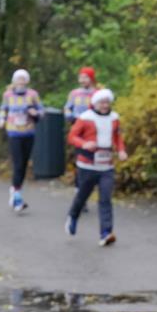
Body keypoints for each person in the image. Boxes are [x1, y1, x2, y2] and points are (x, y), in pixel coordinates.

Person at [65, 88, 127, 246]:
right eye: (102, 102)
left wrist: (121, 150)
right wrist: (85, 143)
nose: (105, 105)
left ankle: (106, 233)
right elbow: (72, 136)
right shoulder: (85, 118)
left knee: (105, 198)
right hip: (87, 164)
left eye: (107, 102)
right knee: (83, 196)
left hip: (106, 165)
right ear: (95, 103)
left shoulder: (114, 118)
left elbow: (117, 136)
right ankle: (73, 216)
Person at [0, 69, 42, 212]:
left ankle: (15, 190)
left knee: (23, 165)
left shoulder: (33, 94)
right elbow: (3, 109)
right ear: (14, 81)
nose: (21, 82)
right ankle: (17, 198)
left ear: (27, 81)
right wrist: (1, 120)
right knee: (17, 164)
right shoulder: (8, 95)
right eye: (18, 79)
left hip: (28, 132)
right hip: (14, 132)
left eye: (23, 79)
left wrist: (36, 113)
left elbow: (42, 110)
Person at [65, 66, 98, 191]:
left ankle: (89, 184)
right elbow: (68, 107)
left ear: (91, 79)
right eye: (81, 77)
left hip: (92, 130)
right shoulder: (74, 93)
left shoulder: (96, 93)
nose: (83, 80)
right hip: (77, 129)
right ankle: (79, 185)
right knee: (79, 157)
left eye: (86, 77)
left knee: (91, 158)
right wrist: (70, 117)